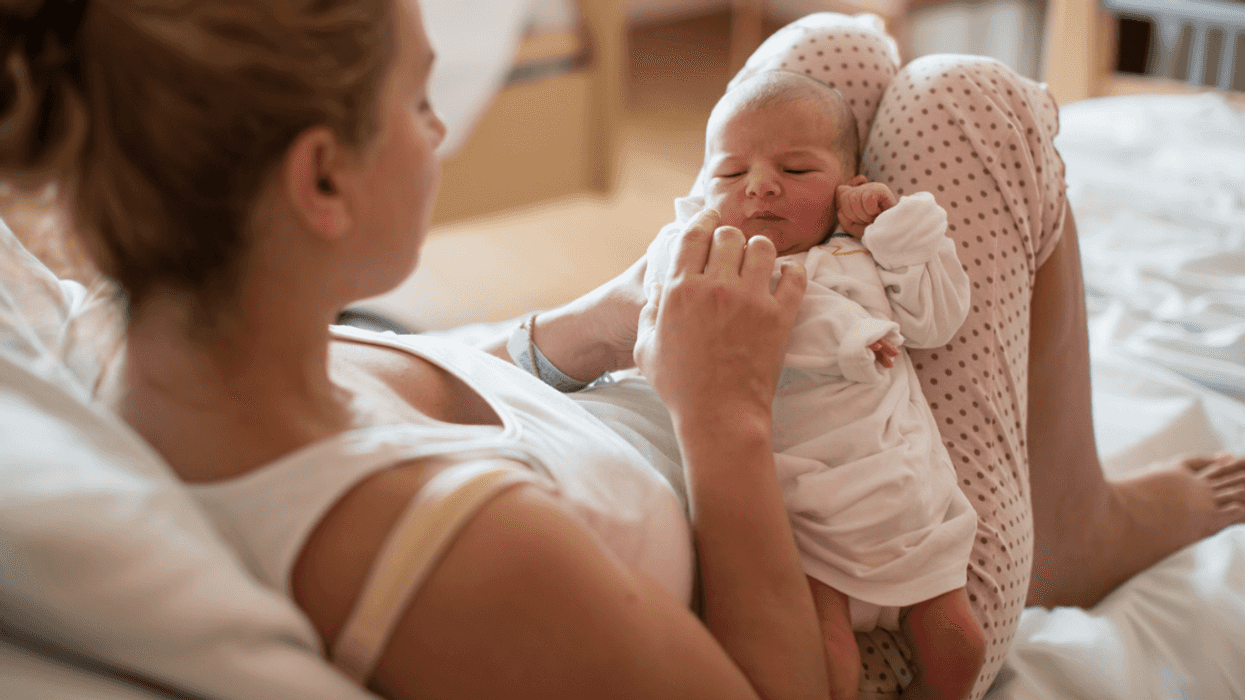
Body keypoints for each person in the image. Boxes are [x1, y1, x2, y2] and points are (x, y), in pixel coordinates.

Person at [2, 2, 1242, 700]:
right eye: (424, 103)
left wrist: (594, 325)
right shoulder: (459, 555)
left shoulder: (135, 337)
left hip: (716, 370)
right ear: (322, 177)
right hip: (846, 550)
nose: (441, 132)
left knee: (838, 59)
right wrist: (723, 416)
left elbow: (463, 383)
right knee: (969, 102)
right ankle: (1062, 528)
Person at [643, 69, 983, 700]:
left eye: (796, 171)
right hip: (804, 510)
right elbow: (709, 325)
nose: (761, 184)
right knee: (827, 652)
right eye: (730, 173)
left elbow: (938, 321)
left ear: (847, 186)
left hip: (905, 499)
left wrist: (891, 229)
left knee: (962, 643)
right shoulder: (721, 267)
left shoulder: (861, 254)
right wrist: (853, 335)